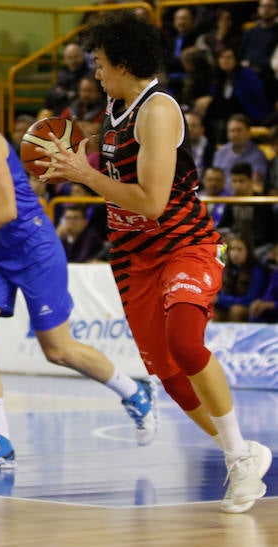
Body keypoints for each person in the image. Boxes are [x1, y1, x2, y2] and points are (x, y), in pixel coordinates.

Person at [36, 10, 271, 513]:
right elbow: (109, 167)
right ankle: (242, 452)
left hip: (184, 245)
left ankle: (239, 462)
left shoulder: (157, 109)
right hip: (133, 257)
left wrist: (85, 173)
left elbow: (150, 202)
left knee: (185, 343)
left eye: (99, 63)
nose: (94, 73)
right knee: (165, 373)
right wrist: (67, 163)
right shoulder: (113, 109)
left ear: (123, 62)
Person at [0, 76, 157, 471]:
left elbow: (7, 208)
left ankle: (134, 390)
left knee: (58, 350)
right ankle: (0, 440)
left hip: (32, 248)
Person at [214, 233, 268, 322]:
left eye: (240, 249)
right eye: (232, 249)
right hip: (229, 305)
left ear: (248, 251)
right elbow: (219, 292)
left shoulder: (257, 270)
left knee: (236, 310)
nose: (235, 253)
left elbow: (250, 299)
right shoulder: (226, 268)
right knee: (215, 312)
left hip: (250, 308)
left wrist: (220, 300)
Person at [211, 113, 269, 194]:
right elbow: (213, 178)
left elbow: (257, 186)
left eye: (239, 130)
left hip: (244, 198)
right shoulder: (220, 153)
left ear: (248, 132)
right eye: (232, 130)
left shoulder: (258, 156)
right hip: (220, 196)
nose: (235, 134)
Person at [44, 42, 91, 115]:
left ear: (83, 56)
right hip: (58, 116)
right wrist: (66, 94)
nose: (73, 60)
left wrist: (61, 93)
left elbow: (81, 99)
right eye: (70, 57)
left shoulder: (90, 74)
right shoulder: (62, 74)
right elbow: (49, 98)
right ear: (65, 60)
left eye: (76, 56)